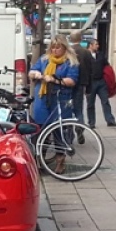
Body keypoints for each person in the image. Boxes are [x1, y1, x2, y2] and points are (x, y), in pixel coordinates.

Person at [28, 35, 78, 172]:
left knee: (59, 130)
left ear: (64, 47)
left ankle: (60, 161)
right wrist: (35, 74)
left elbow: (72, 81)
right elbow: (32, 71)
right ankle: (40, 158)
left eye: (58, 47)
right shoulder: (44, 60)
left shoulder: (70, 62)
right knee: (40, 128)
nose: (55, 50)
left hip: (60, 99)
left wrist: (54, 80)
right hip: (43, 98)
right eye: (53, 47)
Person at [86, 38, 116, 127]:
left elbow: (107, 66)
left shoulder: (100, 55)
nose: (98, 46)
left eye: (97, 44)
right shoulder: (85, 55)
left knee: (105, 101)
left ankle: (110, 120)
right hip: (91, 82)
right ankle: (91, 122)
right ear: (90, 45)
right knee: (90, 104)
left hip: (101, 82)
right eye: (96, 44)